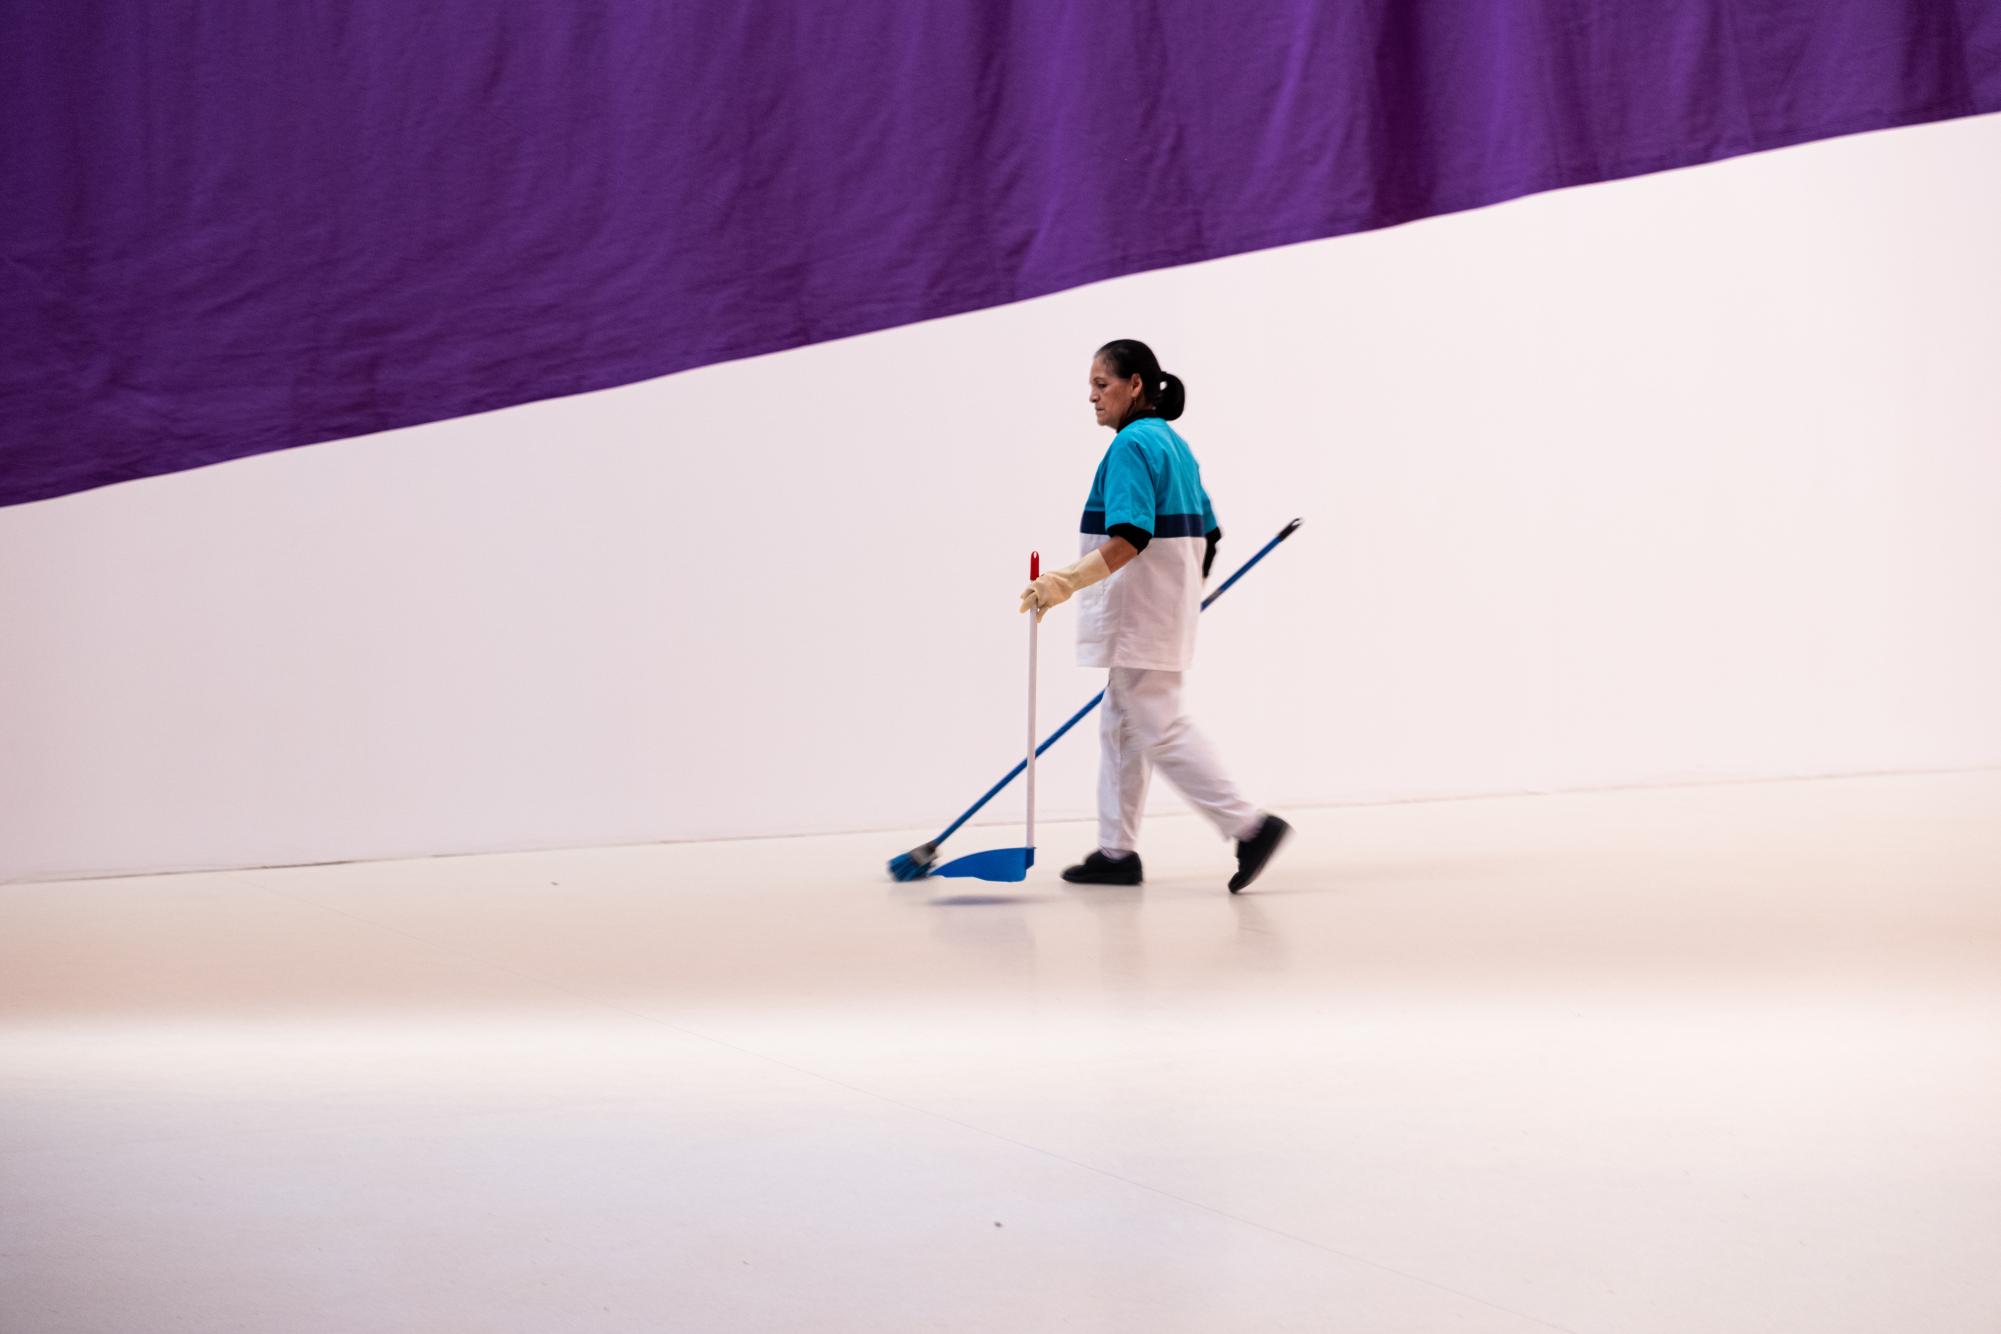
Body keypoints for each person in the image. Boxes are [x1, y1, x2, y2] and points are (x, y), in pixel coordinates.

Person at [1018, 339, 1290, 893]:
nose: (1092, 397)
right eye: (1090, 385)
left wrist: (1063, 581)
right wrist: (1188, 592)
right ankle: (1117, 853)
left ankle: (1250, 827)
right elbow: (1211, 534)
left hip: (1139, 615)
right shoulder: (1173, 443)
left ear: (1135, 384)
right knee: (1122, 726)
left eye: (1102, 384)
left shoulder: (1130, 446)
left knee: (1157, 727)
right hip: (1160, 613)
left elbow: (1131, 537)